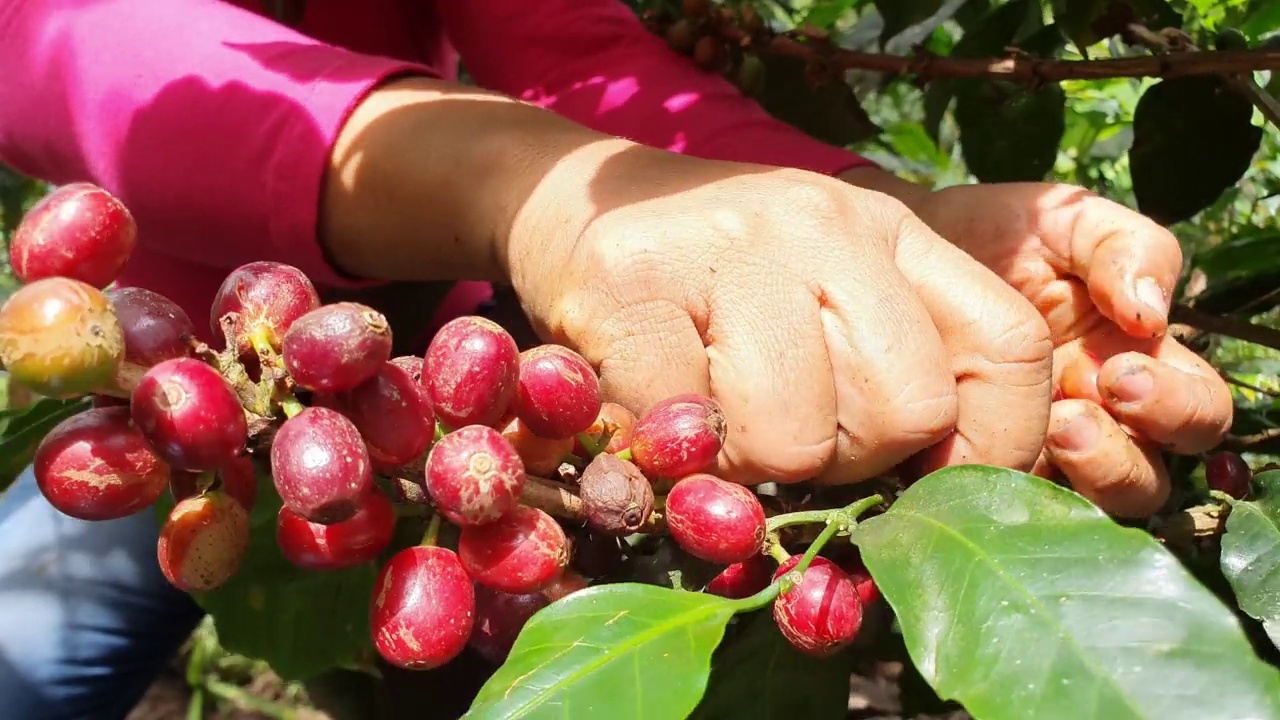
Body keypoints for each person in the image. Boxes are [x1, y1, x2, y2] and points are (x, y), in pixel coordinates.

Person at [0, 0, 1233, 717]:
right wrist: (529, 187)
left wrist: (854, 229)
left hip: (444, 361)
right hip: (173, 409)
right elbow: (50, 34)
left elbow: (571, 45)